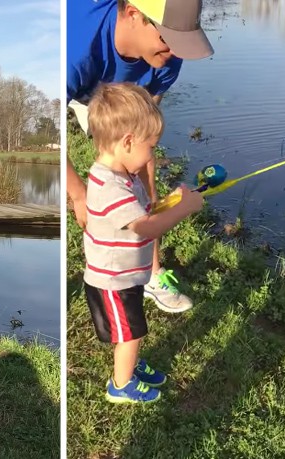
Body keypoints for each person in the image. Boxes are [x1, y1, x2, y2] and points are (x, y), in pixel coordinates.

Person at [67, 0, 213, 313]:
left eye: (180, 40)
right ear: (134, 13)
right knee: (94, 191)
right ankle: (103, 269)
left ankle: (150, 274)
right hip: (81, 88)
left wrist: (146, 191)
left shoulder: (167, 54)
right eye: (168, 39)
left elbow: (146, 132)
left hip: (124, 97)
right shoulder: (74, 49)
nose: (175, 52)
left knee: (142, 183)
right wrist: (79, 195)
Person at [83, 83, 203, 403]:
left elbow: (143, 212)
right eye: (152, 147)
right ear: (127, 142)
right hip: (113, 281)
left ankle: (129, 365)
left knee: (130, 333)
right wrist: (183, 209)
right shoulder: (109, 186)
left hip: (127, 275)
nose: (153, 154)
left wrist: (170, 200)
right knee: (131, 333)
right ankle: (120, 386)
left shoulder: (123, 176)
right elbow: (146, 228)